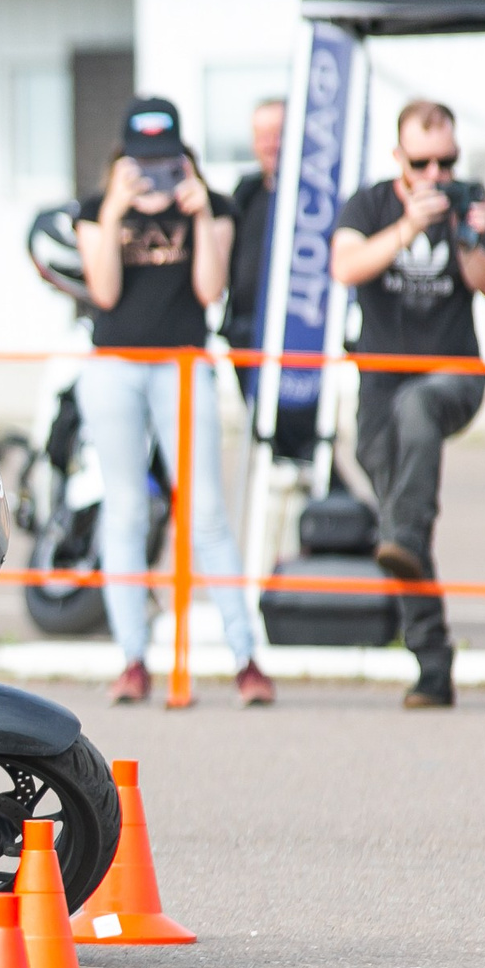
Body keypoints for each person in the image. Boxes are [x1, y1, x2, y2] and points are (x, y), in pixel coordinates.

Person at [75, 96, 273, 708]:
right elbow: (103, 292)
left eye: (165, 162)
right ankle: (133, 658)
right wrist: (113, 212)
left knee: (207, 511)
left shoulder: (210, 204)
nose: (153, 175)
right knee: (126, 509)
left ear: (184, 158)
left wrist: (198, 216)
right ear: (122, 159)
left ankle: (246, 660)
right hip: (114, 367)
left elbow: (210, 291)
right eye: (142, 163)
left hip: (184, 364)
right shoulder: (95, 208)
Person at [330, 99, 485, 709]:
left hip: (452, 373)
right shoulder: (371, 204)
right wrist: (406, 227)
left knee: (418, 412)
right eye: (424, 162)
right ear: (399, 158)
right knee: (399, 528)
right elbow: (344, 266)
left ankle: (409, 527)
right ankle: (433, 666)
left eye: (447, 161)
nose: (437, 175)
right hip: (379, 379)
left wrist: (464, 233)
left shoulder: (470, 199)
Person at [223, 96, 285, 420]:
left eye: (278, 134)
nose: (269, 145)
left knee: (295, 432)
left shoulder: (313, 198)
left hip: (294, 334)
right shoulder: (246, 192)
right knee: (261, 426)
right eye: (262, 136)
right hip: (245, 332)